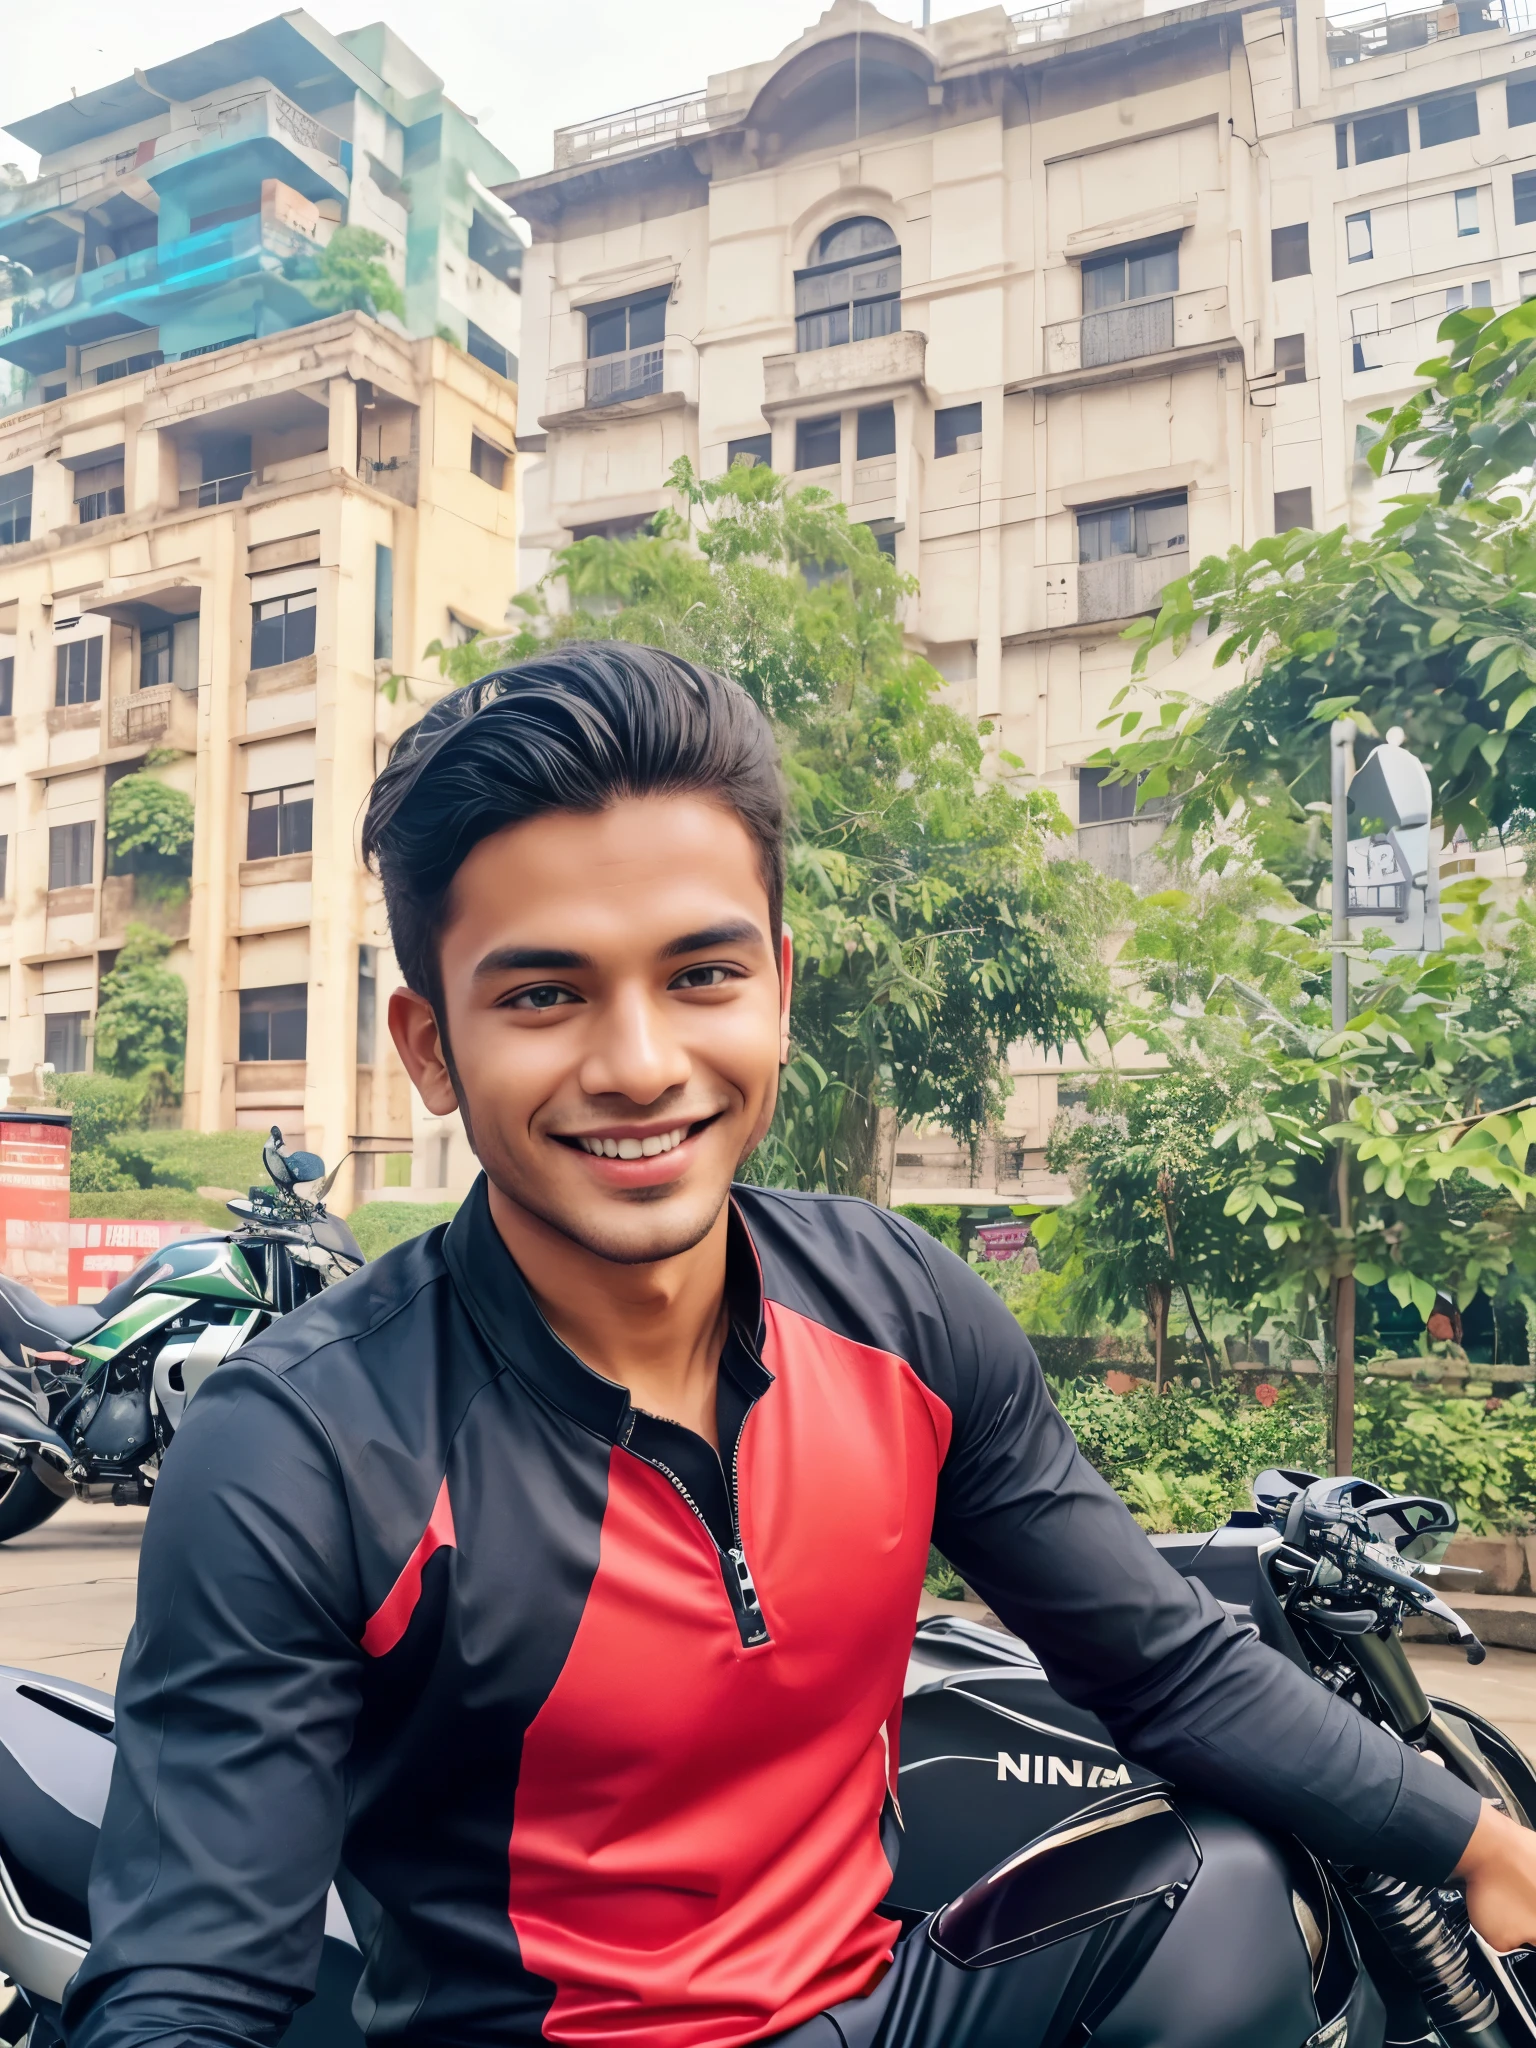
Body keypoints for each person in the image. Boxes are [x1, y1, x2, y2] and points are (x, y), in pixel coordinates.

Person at [64, 645, 1536, 2048]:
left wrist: (1474, 1841)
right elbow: (191, 1980)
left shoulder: (901, 1305)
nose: (640, 1064)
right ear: (432, 1044)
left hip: (879, 2006)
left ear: (778, 980)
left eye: (700, 976)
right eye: (542, 995)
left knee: (1224, 1883)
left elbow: (1163, 1668)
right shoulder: (304, 1450)